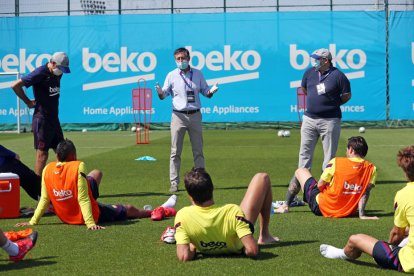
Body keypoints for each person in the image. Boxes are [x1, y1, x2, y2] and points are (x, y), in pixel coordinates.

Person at [15, 139, 177, 230]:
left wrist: (32, 222)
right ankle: (154, 211)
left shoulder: (47, 169)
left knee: (95, 174)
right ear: (74, 155)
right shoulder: (78, 165)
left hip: (65, 215)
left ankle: (95, 195)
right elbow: (83, 199)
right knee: (128, 209)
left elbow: (44, 199)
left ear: (57, 156)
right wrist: (91, 223)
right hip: (84, 215)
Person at [319, 145, 414, 273]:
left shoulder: (404, 194)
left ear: (405, 170)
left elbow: (397, 234)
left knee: (355, 239)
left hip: (408, 262)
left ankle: (342, 253)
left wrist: (388, 247)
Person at [283, 48, 351, 209]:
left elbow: (347, 95)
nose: (313, 61)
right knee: (303, 159)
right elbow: (306, 89)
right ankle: (294, 198)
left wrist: (332, 104)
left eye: (316, 58)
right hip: (309, 119)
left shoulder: (338, 76)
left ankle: (325, 197)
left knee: (329, 160)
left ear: (325, 60)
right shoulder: (309, 73)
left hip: (330, 121)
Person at [174, 168, 279, 262]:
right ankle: (264, 235)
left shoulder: (182, 216)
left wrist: (193, 247)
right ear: (212, 188)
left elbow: (184, 256)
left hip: (201, 237)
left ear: (190, 196)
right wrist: (243, 249)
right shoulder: (232, 211)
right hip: (236, 234)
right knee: (262, 177)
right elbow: (252, 250)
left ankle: (265, 235)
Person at [155, 47, 219, 193]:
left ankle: (201, 183)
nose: (181, 61)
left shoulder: (197, 73)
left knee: (198, 150)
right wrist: (159, 92)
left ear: (189, 59)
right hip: (178, 116)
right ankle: (174, 183)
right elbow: (164, 95)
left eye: (183, 58)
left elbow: (205, 92)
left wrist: (211, 91)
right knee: (175, 151)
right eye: (178, 59)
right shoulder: (171, 75)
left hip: (195, 115)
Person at [276, 136, 377, 219]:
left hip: (322, 207)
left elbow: (320, 184)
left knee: (300, 171)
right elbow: (365, 192)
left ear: (350, 149)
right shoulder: (372, 168)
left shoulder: (336, 162)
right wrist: (362, 215)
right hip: (347, 211)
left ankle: (285, 206)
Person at [11, 52, 71, 176]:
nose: (61, 72)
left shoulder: (57, 74)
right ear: (53, 63)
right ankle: (38, 190)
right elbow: (15, 85)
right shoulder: (40, 73)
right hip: (42, 120)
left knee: (62, 152)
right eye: (60, 68)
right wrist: (27, 101)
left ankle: (61, 185)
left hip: (54, 119)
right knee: (42, 155)